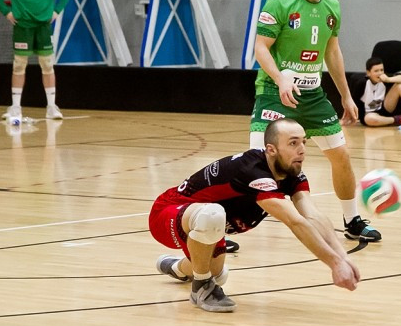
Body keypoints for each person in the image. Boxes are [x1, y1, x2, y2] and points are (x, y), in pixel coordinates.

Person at [152, 118, 360, 313]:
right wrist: (334, 264)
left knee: (217, 274)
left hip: (201, 223)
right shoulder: (253, 172)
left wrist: (342, 256)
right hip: (167, 214)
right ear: (271, 149)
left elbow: (312, 215)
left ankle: (177, 267)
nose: (302, 150)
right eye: (293, 143)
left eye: (304, 142)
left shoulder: (289, 171)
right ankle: (201, 288)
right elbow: (295, 222)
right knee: (213, 215)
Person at [250, 0, 381, 242]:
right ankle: (221, 227)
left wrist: (346, 96)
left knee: (342, 156)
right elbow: (260, 48)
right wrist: (280, 77)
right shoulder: (279, 4)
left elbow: (332, 52)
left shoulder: (332, 6)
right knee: (254, 163)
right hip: (275, 92)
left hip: (313, 95)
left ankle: (352, 220)